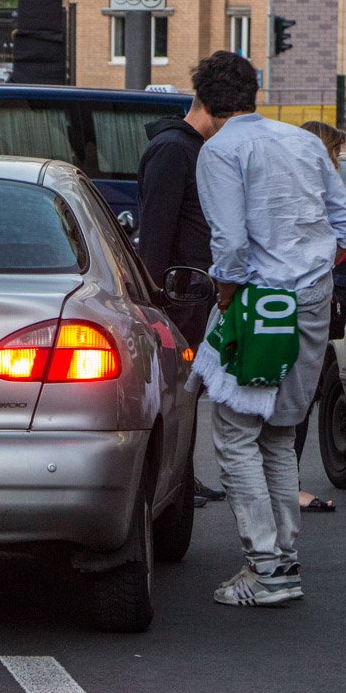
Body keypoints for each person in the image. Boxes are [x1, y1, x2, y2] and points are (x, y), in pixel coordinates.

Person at [191, 51, 346, 606]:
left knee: (236, 433)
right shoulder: (304, 142)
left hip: (258, 301)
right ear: (254, 92)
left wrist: (228, 295)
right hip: (310, 298)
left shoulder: (220, 150)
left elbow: (230, 242)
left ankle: (266, 568)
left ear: (204, 101)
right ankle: (282, 561)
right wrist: (314, 270)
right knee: (280, 434)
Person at [136, 99, 226, 509]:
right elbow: (156, 233)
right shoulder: (174, 149)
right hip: (178, 296)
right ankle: (177, 482)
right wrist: (157, 297)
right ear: (211, 106)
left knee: (187, 394)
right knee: (178, 393)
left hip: (190, 293)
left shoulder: (188, 148)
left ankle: (184, 477)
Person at [294, 120, 346, 514]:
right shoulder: (310, 193)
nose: (338, 162)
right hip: (301, 305)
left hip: (302, 302)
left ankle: (278, 481)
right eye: (336, 153)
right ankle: (285, 485)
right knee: (296, 394)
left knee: (296, 394)